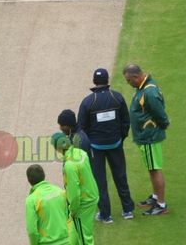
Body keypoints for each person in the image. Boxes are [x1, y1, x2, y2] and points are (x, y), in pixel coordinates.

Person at [77, 67, 134, 223]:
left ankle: (105, 215)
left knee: (99, 182)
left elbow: (81, 127)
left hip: (96, 148)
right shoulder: (117, 98)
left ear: (95, 81)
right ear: (107, 80)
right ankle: (128, 210)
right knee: (121, 177)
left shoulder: (88, 102)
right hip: (116, 145)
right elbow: (125, 121)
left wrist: (90, 143)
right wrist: (120, 138)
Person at [123, 63, 171, 216]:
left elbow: (160, 113)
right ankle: (156, 197)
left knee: (155, 169)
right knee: (152, 168)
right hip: (145, 137)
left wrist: (163, 125)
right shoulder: (142, 88)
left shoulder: (149, 92)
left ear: (136, 77)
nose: (128, 84)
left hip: (150, 137)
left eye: (129, 81)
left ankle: (161, 205)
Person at [51, 132, 98, 245]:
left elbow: (74, 194)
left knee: (85, 240)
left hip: (83, 204)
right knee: (77, 235)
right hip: (92, 195)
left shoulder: (69, 166)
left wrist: (73, 211)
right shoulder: (81, 153)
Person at [25, 164, 71, 245]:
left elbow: (32, 230)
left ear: (29, 180)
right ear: (44, 176)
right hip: (67, 241)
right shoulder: (60, 192)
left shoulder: (31, 200)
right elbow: (68, 216)